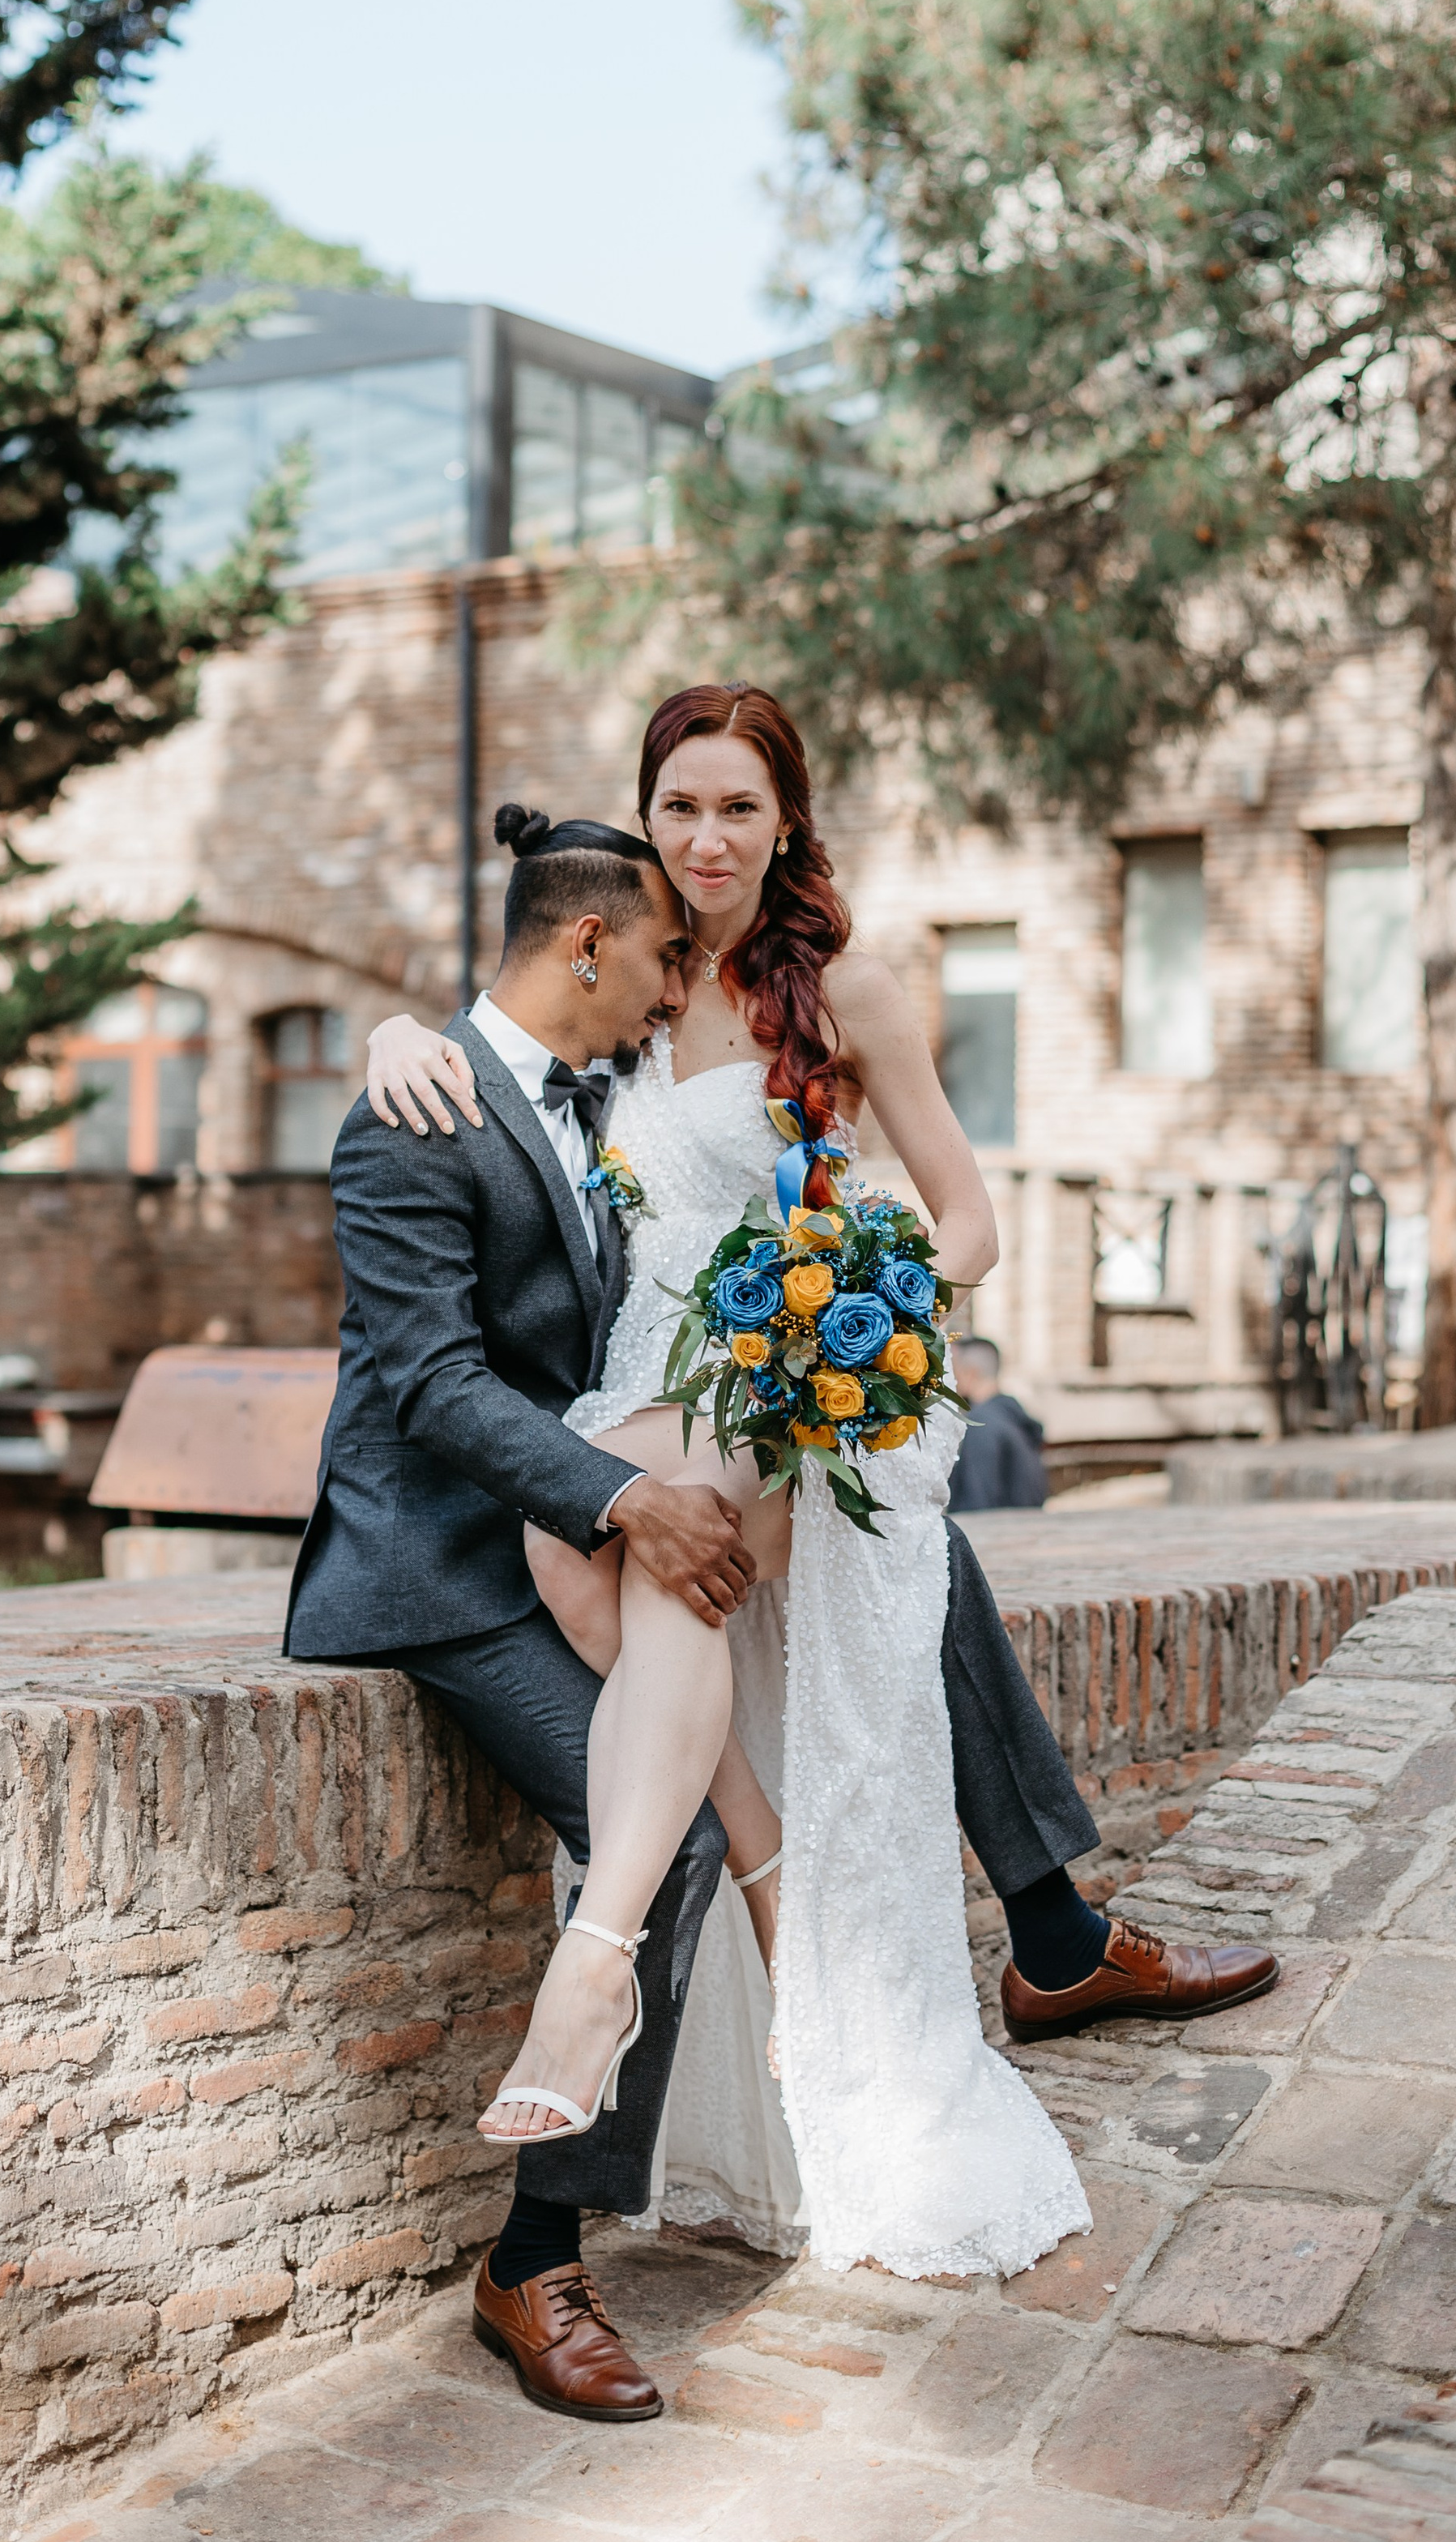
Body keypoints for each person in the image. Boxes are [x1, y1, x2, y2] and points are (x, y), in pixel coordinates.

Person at [361, 685, 1279, 2326]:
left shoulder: (840, 990)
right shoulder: (617, 970)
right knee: (575, 1557)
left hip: (787, 1382)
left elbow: (970, 1223)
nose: (701, 840)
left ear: (785, 818)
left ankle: (634, 1956)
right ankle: (788, 1883)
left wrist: (834, 1296)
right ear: (639, 820)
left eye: (734, 807)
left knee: (666, 1527)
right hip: (639, 1387)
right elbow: (490, 1045)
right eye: (675, 808)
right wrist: (392, 1039)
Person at [286, 813, 752, 2422]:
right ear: (581, 945)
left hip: (581, 1541)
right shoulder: (406, 1115)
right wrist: (622, 1503)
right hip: (448, 1560)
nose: (664, 990)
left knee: (722, 1762)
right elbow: (425, 1385)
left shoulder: (601, 1093)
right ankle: (533, 2258)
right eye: (651, 959)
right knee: (669, 1831)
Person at [949, 1336, 1051, 1512]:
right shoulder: (1011, 1415)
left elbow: (976, 1503)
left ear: (969, 1374)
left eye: (952, 1371)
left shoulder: (980, 1424)